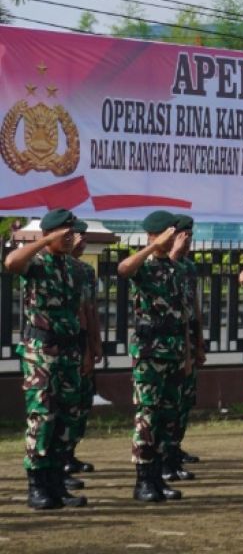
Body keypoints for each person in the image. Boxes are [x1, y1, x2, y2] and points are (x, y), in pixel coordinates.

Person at [6, 209, 88, 511]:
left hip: (68, 353)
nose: (71, 238)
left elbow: (78, 311)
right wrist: (44, 242)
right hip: (41, 352)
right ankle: (37, 485)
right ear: (50, 233)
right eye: (65, 234)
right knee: (42, 417)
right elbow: (11, 263)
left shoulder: (75, 269)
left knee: (66, 419)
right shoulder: (36, 263)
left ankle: (56, 483)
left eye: (72, 233)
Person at [117, 211, 191, 502]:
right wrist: (152, 245)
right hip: (150, 353)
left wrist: (186, 353)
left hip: (173, 351)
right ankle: (143, 480)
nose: (175, 236)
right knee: (147, 415)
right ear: (157, 233)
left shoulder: (175, 269)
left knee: (166, 416)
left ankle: (158, 476)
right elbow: (123, 269)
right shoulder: (144, 265)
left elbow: (182, 315)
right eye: (170, 232)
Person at [64, 220, 102, 477]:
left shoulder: (85, 271)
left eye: (83, 235)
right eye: (75, 234)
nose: (81, 239)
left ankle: (70, 452)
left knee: (82, 401)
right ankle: (60, 458)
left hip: (82, 340)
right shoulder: (54, 268)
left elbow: (89, 309)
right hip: (63, 342)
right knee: (63, 404)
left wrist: (94, 343)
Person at [168, 215, 203, 476]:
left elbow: (194, 305)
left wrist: (199, 341)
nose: (188, 240)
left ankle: (175, 446)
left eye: (190, 236)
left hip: (187, 337)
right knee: (166, 401)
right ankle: (164, 453)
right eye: (183, 235)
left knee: (184, 398)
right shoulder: (156, 265)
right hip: (165, 340)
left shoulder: (188, 268)